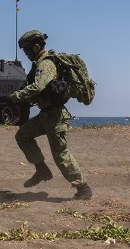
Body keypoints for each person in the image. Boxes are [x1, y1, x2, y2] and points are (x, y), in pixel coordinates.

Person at [8, 30, 92, 200]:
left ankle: (83, 188)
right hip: (46, 115)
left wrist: (16, 96)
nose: (26, 54)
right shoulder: (38, 64)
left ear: (36, 46)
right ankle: (41, 170)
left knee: (61, 155)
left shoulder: (46, 64)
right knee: (23, 136)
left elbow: (38, 86)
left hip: (56, 116)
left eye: (27, 50)